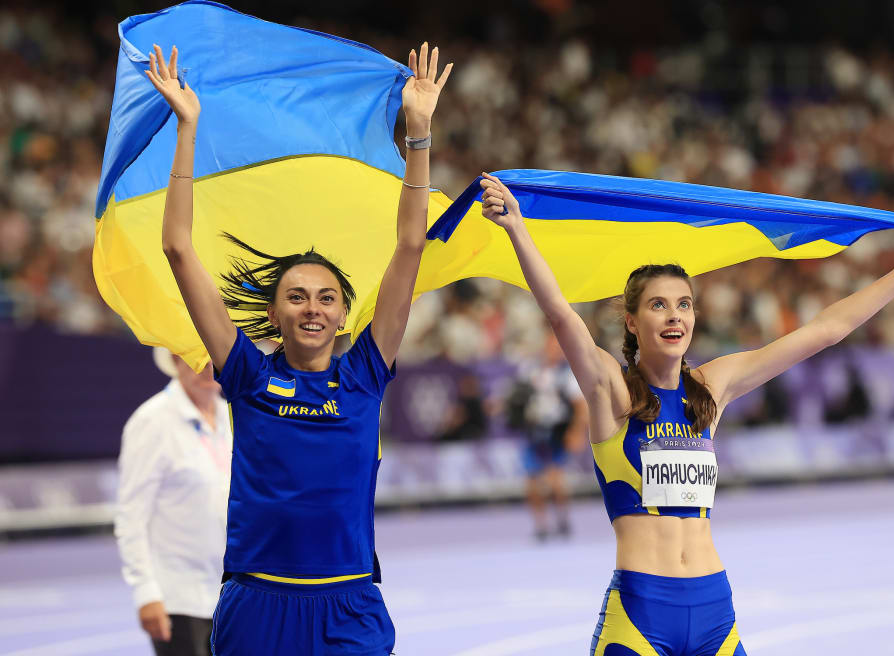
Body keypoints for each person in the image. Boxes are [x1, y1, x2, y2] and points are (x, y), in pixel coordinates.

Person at [478, 172, 894, 656]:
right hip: (642, 613)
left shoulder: (711, 389)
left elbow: (825, 330)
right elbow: (560, 313)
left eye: (684, 305)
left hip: (714, 614)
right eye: (658, 306)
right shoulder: (612, 391)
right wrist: (516, 226)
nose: (674, 317)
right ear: (631, 320)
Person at [144, 41, 451, 655]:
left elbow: (411, 247)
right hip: (258, 604)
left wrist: (417, 134)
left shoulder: (366, 371)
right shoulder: (247, 375)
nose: (313, 307)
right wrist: (188, 126)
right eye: (298, 297)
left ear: (342, 316)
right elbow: (178, 247)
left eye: (327, 297)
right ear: (272, 313)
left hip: (350, 603)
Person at [114, 348, 231, 656]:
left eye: (212, 358)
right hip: (180, 598)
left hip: (232, 593)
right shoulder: (152, 422)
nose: (206, 367)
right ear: (176, 361)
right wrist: (145, 592)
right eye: (195, 358)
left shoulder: (230, 415)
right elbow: (131, 517)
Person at [508, 329, 587, 540]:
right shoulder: (530, 370)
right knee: (532, 481)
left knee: (555, 480)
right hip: (534, 431)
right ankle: (541, 525)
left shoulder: (567, 375)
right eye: (551, 346)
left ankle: (562, 519)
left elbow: (580, 406)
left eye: (558, 348)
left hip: (556, 432)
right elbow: (516, 395)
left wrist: (576, 432)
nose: (554, 351)